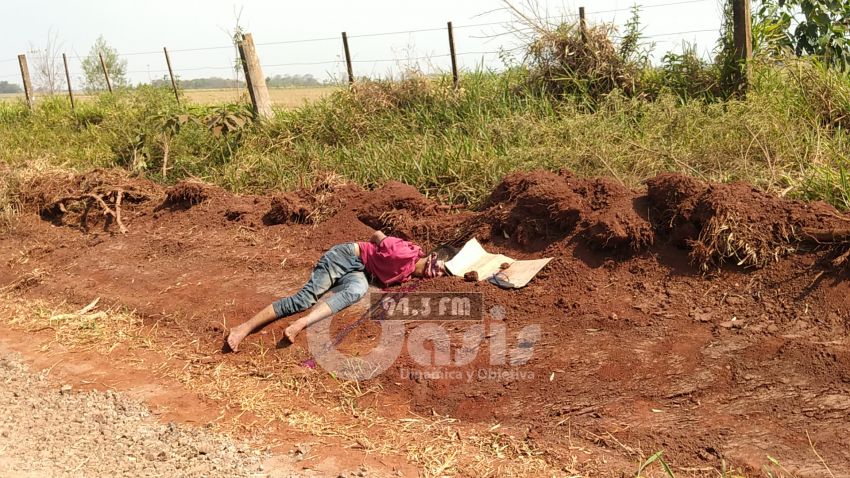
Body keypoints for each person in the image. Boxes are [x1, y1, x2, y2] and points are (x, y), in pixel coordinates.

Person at [225, 230, 447, 352]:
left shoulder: (410, 272)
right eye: (435, 270)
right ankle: (243, 328)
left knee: (357, 291)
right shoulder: (404, 253)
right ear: (428, 261)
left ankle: (301, 323)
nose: (434, 275)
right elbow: (378, 235)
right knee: (303, 300)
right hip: (345, 256)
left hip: (361, 270)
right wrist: (365, 250)